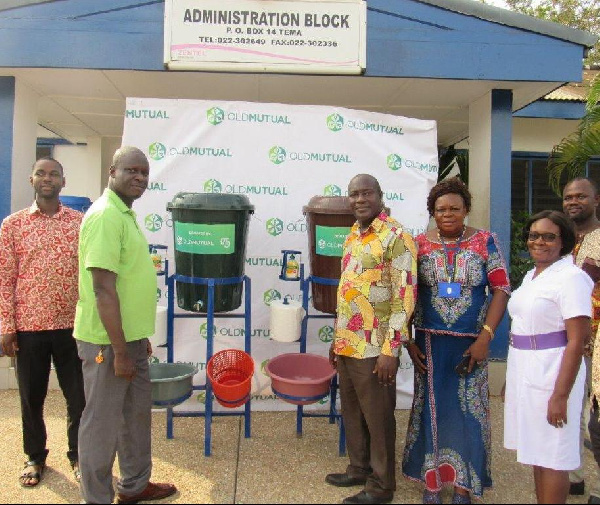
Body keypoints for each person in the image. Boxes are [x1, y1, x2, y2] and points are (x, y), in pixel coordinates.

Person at [74, 146, 176, 504]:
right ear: (111, 172)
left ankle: (134, 485)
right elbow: (103, 289)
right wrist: (119, 350)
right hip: (107, 344)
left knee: (134, 417)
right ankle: (97, 497)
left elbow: (127, 283)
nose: (139, 178)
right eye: (131, 170)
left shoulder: (125, 214)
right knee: (101, 424)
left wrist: (137, 338)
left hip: (128, 340)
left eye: (144, 173)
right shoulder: (105, 216)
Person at [402, 177, 510, 504]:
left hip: (471, 347)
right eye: (440, 209)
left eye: (454, 208)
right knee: (432, 411)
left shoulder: (485, 241)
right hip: (430, 344)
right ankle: (433, 482)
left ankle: (464, 484)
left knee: (469, 413)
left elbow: (501, 289)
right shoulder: (418, 244)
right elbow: (405, 294)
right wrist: (408, 341)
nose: (447, 214)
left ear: (466, 210)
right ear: (432, 212)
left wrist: (486, 337)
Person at [326, 174, 417, 505]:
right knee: (352, 410)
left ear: (380, 196)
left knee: (378, 418)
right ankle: (359, 468)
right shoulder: (353, 235)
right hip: (348, 341)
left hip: (375, 345)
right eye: (353, 194)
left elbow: (403, 297)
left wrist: (391, 350)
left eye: (366, 193)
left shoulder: (397, 237)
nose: (359, 199)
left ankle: (381, 485)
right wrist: (337, 339)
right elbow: (349, 291)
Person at [0, 157, 85, 487]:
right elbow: (6, 278)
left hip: (73, 327)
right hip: (30, 326)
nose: (47, 178)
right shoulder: (13, 225)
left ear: (64, 181)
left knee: (78, 398)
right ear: (31, 179)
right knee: (31, 397)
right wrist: (6, 325)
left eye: (54, 174)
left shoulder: (79, 224)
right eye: (41, 173)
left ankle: (79, 455)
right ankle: (35, 456)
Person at [504, 210, 592, 504]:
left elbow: (578, 340)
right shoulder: (532, 275)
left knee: (554, 454)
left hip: (553, 371)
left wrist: (560, 395)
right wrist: (510, 379)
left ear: (563, 240)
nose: (539, 241)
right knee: (537, 452)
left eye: (548, 236)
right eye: (534, 235)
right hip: (525, 369)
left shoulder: (572, 278)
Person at [562, 177, 600, 502]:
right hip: (566, 341)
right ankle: (574, 475)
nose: (574, 201)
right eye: (569, 197)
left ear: (596, 200)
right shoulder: (559, 240)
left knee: (596, 416)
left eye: (581, 196)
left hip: (597, 344)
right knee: (570, 407)